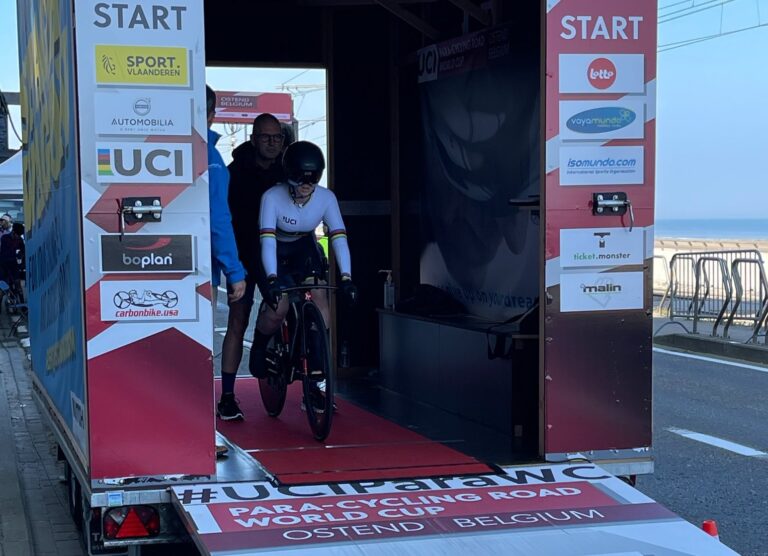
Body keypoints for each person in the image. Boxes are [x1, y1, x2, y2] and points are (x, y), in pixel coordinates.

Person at [250, 141, 356, 405]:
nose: (307, 185)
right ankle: (260, 344)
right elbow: (267, 241)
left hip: (303, 248)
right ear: (288, 175)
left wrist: (346, 277)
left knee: (320, 301)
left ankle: (315, 377)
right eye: (300, 178)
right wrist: (272, 279)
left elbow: (339, 237)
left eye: (313, 179)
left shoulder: (326, 198)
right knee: (279, 307)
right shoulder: (271, 197)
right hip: (274, 248)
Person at [217, 113, 286, 421]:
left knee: (291, 308)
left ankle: (311, 386)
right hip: (243, 257)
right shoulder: (233, 173)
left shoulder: (287, 171)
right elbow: (224, 219)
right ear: (254, 139)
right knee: (237, 321)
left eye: (277, 137)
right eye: (266, 137)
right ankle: (227, 397)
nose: (272, 143)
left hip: (277, 256)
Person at [205, 85, 247, 427]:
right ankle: (197, 427)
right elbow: (218, 218)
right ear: (211, 114)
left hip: (149, 262)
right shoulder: (210, 158)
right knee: (196, 349)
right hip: (197, 268)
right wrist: (234, 271)